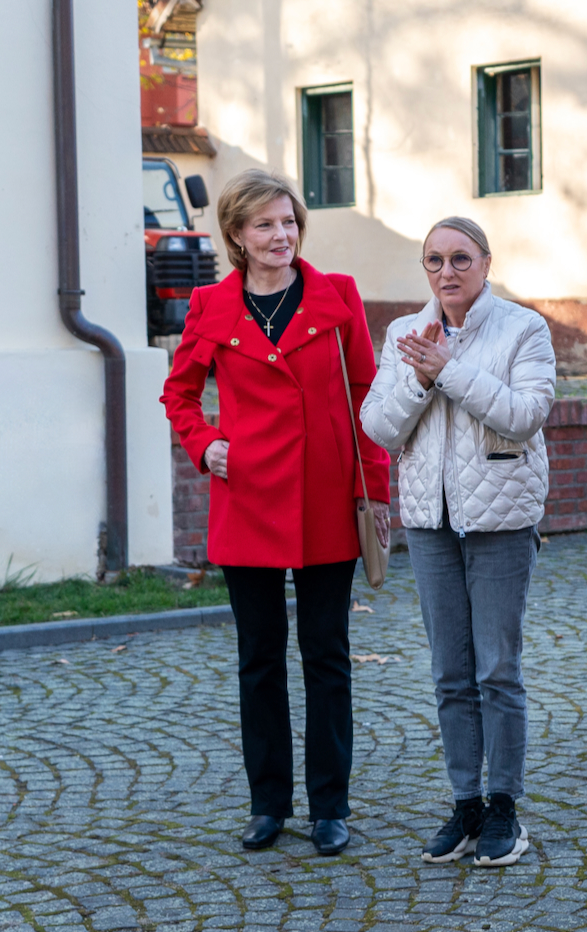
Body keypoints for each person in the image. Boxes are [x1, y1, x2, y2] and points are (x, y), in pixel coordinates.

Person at [161, 167, 391, 856]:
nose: (280, 235)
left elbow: (365, 403)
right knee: (258, 660)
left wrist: (373, 492)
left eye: (288, 222)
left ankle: (330, 807)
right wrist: (207, 447)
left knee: (327, 656)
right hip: (249, 501)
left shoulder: (337, 297)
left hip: (325, 500)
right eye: (264, 224)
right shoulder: (211, 305)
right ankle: (268, 804)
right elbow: (179, 395)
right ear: (236, 233)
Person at [361, 217, 556, 868]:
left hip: (501, 521)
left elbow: (525, 415)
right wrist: (419, 377)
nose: (447, 272)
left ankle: (505, 808)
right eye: (434, 260)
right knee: (450, 674)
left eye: (460, 259)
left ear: (485, 262)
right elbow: (380, 427)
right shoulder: (403, 335)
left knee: (497, 669)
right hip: (430, 523)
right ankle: (465, 805)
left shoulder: (523, 328)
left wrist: (446, 371)